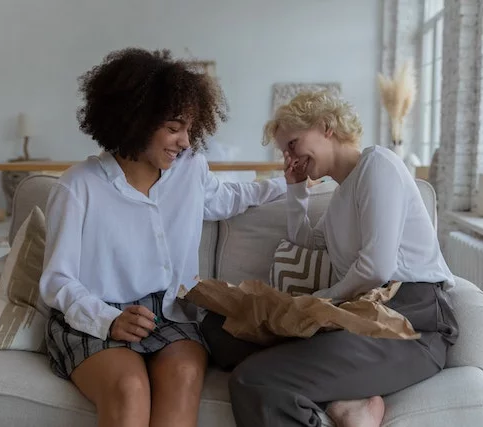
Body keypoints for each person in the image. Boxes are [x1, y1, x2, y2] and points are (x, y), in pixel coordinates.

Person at [39, 47, 287, 427]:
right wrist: (108, 319)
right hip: (97, 312)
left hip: (172, 312)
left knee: (184, 376)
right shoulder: (78, 187)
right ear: (134, 120)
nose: (185, 141)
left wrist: (287, 183)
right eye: (173, 128)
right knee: (129, 387)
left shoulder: (191, 170)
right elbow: (57, 281)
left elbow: (224, 199)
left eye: (189, 128)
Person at [201, 90, 459, 427]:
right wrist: (295, 187)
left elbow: (376, 268)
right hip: (359, 313)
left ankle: (340, 398)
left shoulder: (377, 165)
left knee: (253, 379)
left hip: (410, 321)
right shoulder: (341, 193)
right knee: (218, 333)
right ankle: (345, 398)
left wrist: (318, 303)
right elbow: (308, 240)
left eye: (292, 144)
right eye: (284, 152)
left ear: (326, 127)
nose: (289, 157)